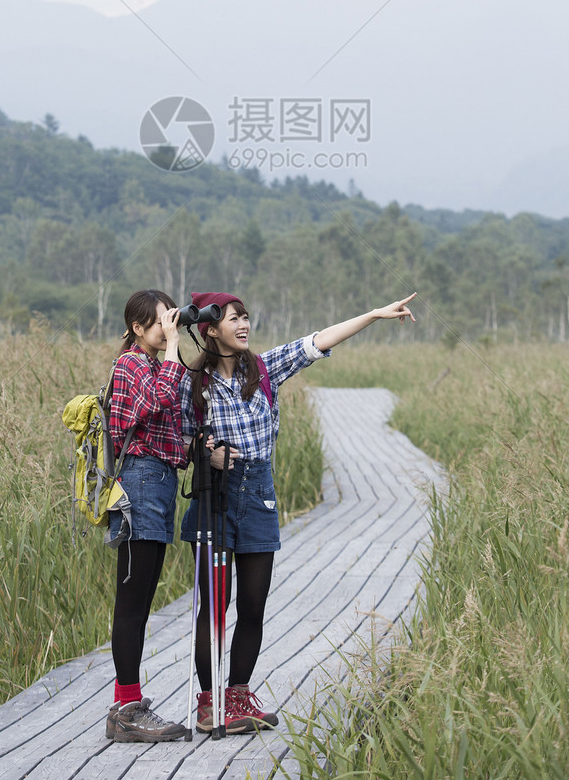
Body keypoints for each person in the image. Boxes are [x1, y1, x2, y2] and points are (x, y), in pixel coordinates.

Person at [179, 288, 417, 733]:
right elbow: (177, 437)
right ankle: (209, 703)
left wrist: (374, 313)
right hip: (214, 496)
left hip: (258, 496)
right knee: (213, 608)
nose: (244, 325)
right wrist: (202, 452)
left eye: (246, 316)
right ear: (210, 329)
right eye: (233, 319)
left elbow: (318, 341)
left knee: (252, 605)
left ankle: (236, 698)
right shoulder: (192, 382)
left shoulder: (264, 369)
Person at [103, 289, 189, 744]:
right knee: (132, 603)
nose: (167, 328)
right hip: (138, 485)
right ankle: (126, 708)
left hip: (158, 484)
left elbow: (172, 428)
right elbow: (153, 403)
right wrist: (174, 348)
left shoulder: (156, 365)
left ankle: (127, 703)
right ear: (138, 328)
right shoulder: (132, 365)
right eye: (161, 322)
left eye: (170, 321)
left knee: (141, 600)